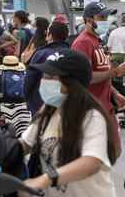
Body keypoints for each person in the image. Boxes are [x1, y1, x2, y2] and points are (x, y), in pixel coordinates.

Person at [20, 50, 117, 197]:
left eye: (51, 76)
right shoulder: (48, 111)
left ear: (71, 83)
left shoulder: (91, 116)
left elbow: (91, 162)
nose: (44, 80)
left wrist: (45, 179)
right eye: (44, 75)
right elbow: (25, 144)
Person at [71, 2, 122, 158]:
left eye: (107, 17)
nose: (105, 20)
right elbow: (84, 77)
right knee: (100, 153)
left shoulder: (98, 42)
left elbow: (101, 71)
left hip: (105, 104)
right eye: (101, 17)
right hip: (91, 108)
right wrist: (115, 72)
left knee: (114, 150)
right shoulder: (83, 43)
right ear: (88, 20)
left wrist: (113, 92)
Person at [24, 20, 69, 117]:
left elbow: (30, 78)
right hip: (65, 103)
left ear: (50, 36)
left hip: (40, 102)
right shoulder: (71, 53)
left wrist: (27, 97)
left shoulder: (41, 54)